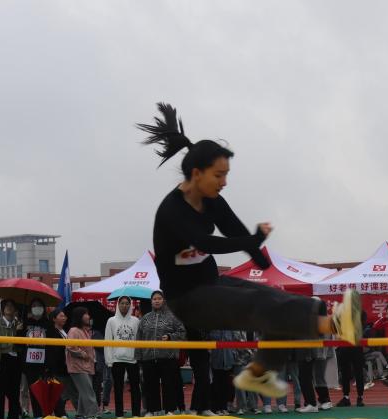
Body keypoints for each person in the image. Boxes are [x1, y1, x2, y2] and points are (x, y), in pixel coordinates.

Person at [137, 102, 362, 400]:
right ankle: (332, 324)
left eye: (226, 175)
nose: (225, 182)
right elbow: (206, 243)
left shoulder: (212, 200)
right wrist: (251, 241)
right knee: (259, 303)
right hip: (187, 300)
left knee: (277, 298)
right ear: (197, 173)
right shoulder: (172, 211)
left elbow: (235, 232)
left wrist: (257, 253)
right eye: (219, 175)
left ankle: (259, 373)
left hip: (211, 284)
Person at [137, 290, 185, 415]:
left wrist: (170, 337)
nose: (157, 301)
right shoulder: (145, 319)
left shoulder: (173, 317)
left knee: (169, 385)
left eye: (159, 298)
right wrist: (139, 357)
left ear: (164, 300)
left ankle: (170, 410)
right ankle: (152, 410)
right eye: (154, 299)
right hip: (148, 358)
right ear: (151, 301)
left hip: (168, 358)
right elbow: (139, 338)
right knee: (150, 385)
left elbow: (182, 333)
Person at [0, 299, 24, 419]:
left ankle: (13, 417)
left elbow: (21, 344)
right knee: (0, 390)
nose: (9, 307)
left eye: (12, 305)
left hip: (16, 360)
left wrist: (19, 331)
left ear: (16, 309)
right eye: (6, 305)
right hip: (3, 358)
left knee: (14, 390)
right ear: (2, 309)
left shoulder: (19, 324)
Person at [105, 296, 141, 418]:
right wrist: (109, 360)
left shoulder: (136, 321)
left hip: (133, 359)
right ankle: (119, 414)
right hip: (117, 359)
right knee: (118, 388)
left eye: (127, 303)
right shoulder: (111, 321)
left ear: (130, 305)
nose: (124, 306)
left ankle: (136, 414)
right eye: (122, 303)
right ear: (118, 304)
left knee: (135, 388)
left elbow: (138, 340)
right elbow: (108, 341)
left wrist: (138, 357)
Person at [66, 306, 98, 419]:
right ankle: (91, 415)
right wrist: (82, 354)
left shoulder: (85, 331)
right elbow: (70, 346)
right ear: (80, 316)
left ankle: (80, 414)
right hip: (78, 366)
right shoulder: (74, 330)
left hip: (86, 366)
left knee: (84, 392)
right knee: (88, 392)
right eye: (86, 314)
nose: (88, 316)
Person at [19, 298, 50, 419]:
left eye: (39, 305)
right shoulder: (25, 323)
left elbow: (52, 345)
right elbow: (18, 344)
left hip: (44, 362)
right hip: (29, 363)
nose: (37, 308)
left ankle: (46, 412)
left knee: (44, 389)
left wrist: (49, 363)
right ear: (30, 308)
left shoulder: (48, 324)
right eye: (34, 305)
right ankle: (37, 415)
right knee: (33, 389)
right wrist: (19, 331)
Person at [45, 309, 75, 418]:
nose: (64, 318)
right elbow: (51, 351)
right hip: (56, 367)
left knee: (66, 391)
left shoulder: (66, 331)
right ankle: (60, 413)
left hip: (66, 366)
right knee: (59, 391)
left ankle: (61, 412)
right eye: (61, 316)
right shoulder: (50, 332)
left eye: (64, 316)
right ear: (54, 319)